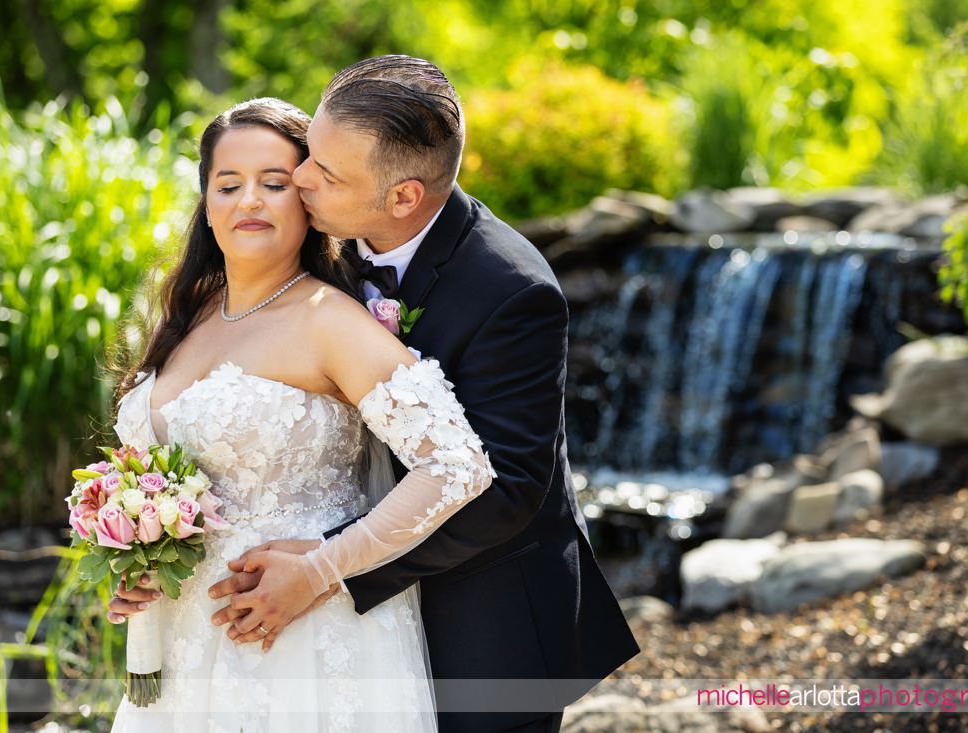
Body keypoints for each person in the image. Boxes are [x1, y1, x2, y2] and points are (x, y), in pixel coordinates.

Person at [203, 55, 640, 733]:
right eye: (309, 152)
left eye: (326, 172)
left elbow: (509, 489)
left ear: (404, 196)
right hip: (343, 618)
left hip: (484, 615)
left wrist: (329, 565)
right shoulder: (327, 243)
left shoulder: (513, 292)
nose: (300, 178)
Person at [106, 96, 496, 732]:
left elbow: (455, 466)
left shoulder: (331, 322)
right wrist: (136, 559)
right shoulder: (187, 313)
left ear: (309, 201)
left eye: (275, 183)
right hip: (186, 646)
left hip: (302, 644)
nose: (249, 201)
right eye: (228, 184)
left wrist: (321, 566)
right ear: (206, 201)